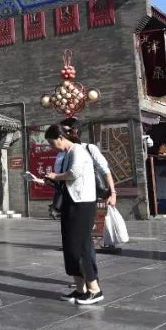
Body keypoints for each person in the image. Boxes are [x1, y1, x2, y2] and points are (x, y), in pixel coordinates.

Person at [32, 120, 114, 305]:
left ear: (61, 138)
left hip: (83, 204)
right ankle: (79, 289)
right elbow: (64, 180)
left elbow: (74, 173)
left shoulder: (79, 150)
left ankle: (95, 289)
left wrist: (56, 175)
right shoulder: (65, 154)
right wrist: (45, 179)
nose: (52, 147)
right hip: (70, 202)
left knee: (80, 247)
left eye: (53, 143)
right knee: (69, 247)